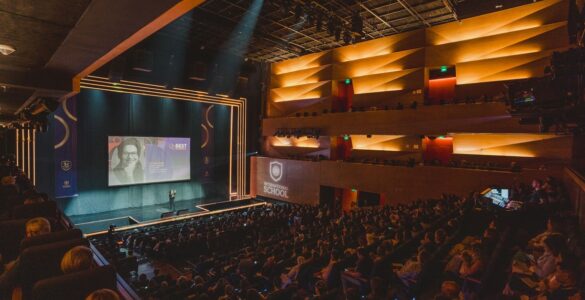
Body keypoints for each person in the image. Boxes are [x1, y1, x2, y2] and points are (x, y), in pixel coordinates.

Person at [0, 217, 52, 292]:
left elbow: (5, 281)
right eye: (28, 232)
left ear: (47, 231)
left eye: (35, 232)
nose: (29, 236)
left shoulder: (28, 253)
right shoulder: (54, 244)